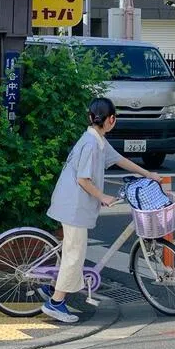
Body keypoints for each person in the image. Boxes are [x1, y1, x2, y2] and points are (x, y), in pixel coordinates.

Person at [41, 97, 159, 323]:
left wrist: (147, 174)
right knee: (74, 255)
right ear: (112, 120)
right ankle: (55, 303)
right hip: (73, 207)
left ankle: (51, 289)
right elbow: (83, 180)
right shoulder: (92, 144)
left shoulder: (96, 140)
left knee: (69, 251)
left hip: (70, 203)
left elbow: (120, 160)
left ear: (90, 118)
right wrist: (103, 197)